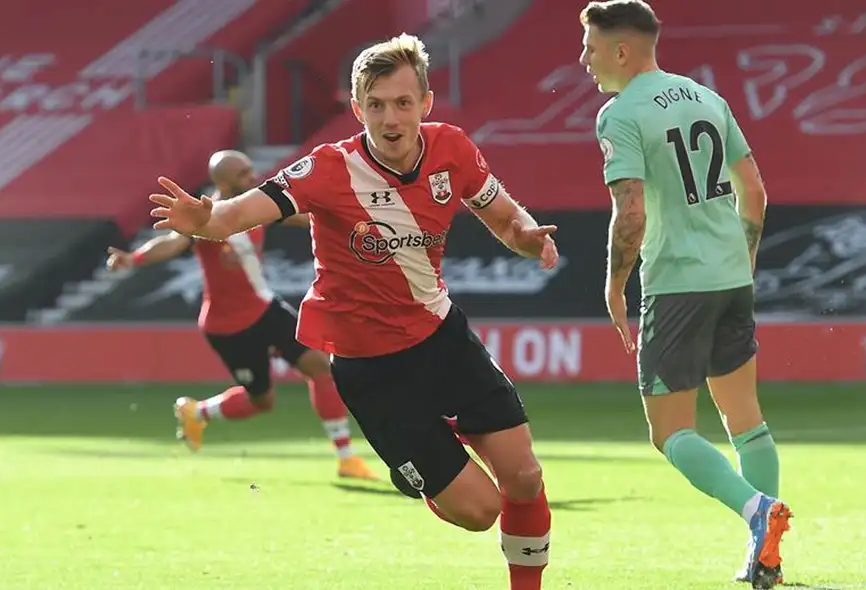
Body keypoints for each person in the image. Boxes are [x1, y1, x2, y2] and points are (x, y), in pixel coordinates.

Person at [148, 34, 555, 590]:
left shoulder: (453, 149)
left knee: (525, 477)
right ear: (357, 107)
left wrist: (531, 238)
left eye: (403, 103)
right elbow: (235, 215)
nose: (391, 118)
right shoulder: (327, 168)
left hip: (443, 340)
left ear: (426, 104)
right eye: (378, 105)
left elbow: (508, 220)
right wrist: (205, 218)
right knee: (479, 510)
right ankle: (420, 465)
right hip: (371, 369)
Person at [579, 1, 790, 588]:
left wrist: (614, 284)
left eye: (591, 47)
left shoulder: (619, 114)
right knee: (746, 421)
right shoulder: (707, 98)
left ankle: (758, 513)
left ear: (622, 51)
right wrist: (743, 254)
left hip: (676, 286)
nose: (585, 60)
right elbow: (755, 189)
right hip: (730, 276)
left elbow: (632, 211)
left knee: (669, 432)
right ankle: (764, 554)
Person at [106, 149, 377, 481]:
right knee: (261, 401)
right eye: (243, 175)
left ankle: (346, 458)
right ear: (222, 182)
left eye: (251, 170)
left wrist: (354, 219)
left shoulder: (257, 204)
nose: (252, 178)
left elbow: (305, 215)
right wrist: (133, 259)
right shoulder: (205, 216)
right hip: (229, 326)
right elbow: (174, 243)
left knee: (321, 367)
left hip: (266, 308)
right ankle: (198, 412)